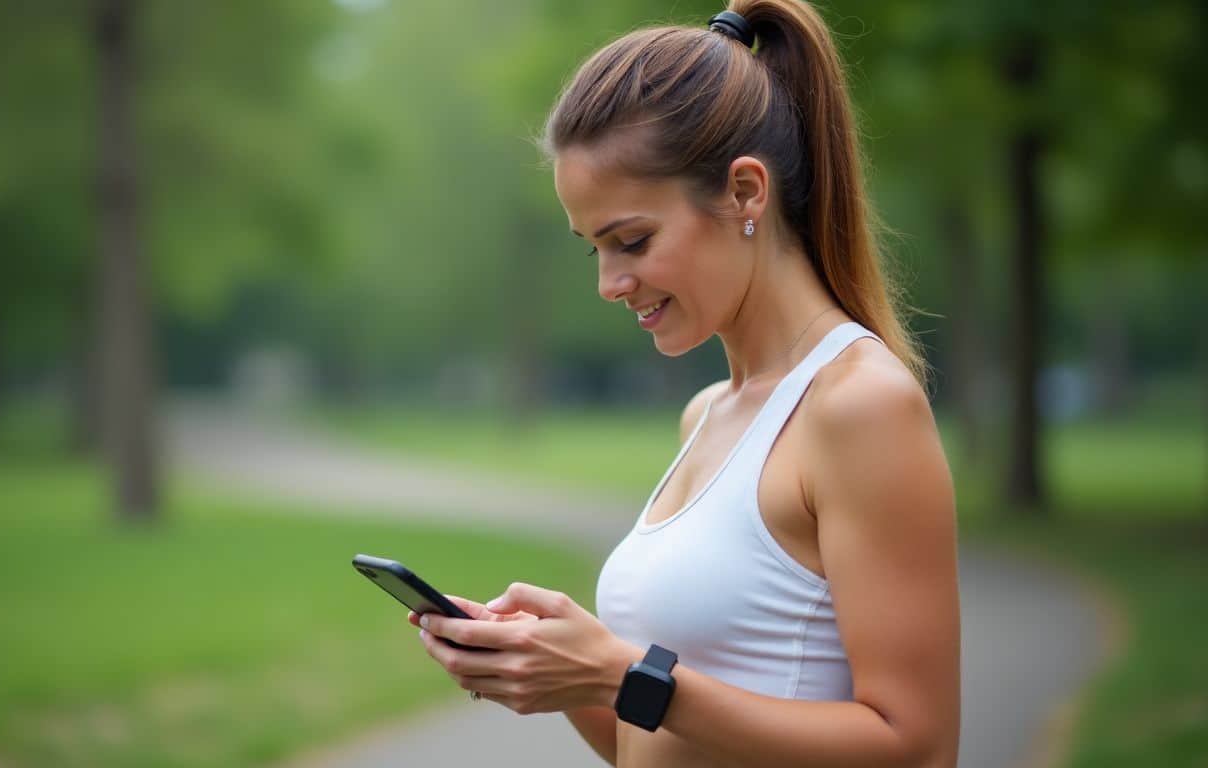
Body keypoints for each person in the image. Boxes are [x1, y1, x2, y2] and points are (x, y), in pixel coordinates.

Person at [407, 1, 961, 765]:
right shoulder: (707, 414)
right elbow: (655, 741)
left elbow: (916, 745)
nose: (609, 282)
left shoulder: (860, 405)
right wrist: (563, 676)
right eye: (593, 249)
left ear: (744, 193)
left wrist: (620, 671)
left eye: (631, 240)